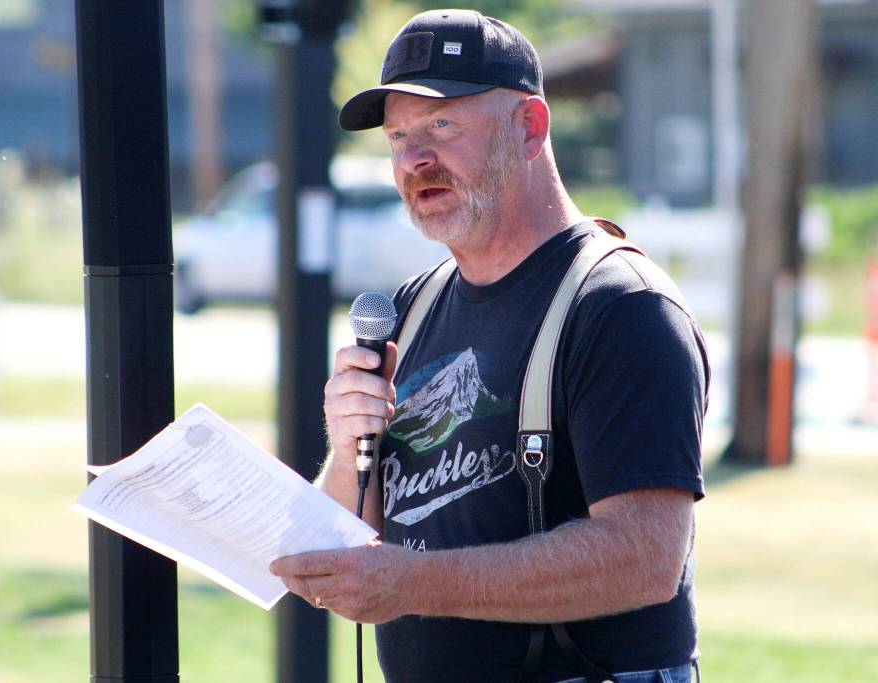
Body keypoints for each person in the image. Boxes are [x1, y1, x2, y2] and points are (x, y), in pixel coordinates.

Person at [270, 9, 708, 683]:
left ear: (529, 127)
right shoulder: (411, 307)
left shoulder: (621, 307)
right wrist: (348, 437)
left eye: (442, 125)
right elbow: (356, 530)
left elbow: (644, 559)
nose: (415, 160)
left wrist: (412, 583)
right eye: (398, 137)